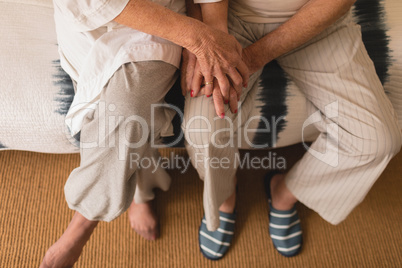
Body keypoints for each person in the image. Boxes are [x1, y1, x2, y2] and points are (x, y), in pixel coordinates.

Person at [182, 0, 402, 260]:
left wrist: (253, 57)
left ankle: (284, 194)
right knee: (201, 129)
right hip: (229, 16)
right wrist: (212, 35)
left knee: (377, 140)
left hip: (316, 20)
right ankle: (224, 198)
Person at [40, 0, 249, 267]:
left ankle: (79, 229)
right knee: (112, 122)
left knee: (126, 114)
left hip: (162, 20)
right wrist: (199, 37)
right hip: (89, 24)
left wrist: (209, 32)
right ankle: (139, 189)